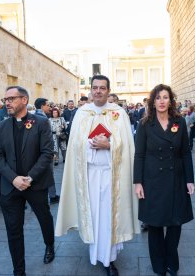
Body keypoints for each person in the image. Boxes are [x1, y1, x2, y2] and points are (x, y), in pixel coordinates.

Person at [56, 75, 140, 276]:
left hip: (113, 175)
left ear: (108, 90)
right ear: (90, 90)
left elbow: (128, 145)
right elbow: (75, 145)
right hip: (90, 176)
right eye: (95, 88)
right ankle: (97, 253)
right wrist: (90, 143)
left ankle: (109, 259)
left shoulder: (119, 113)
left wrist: (109, 145)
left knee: (111, 216)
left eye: (103, 88)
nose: (98, 91)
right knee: (94, 216)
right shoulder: (82, 113)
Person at [0, 86, 56, 275]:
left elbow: (47, 153)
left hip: (35, 184)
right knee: (13, 230)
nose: (7, 102)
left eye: (12, 98)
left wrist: (29, 177)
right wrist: (13, 178)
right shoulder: (1, 126)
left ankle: (50, 245)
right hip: (10, 187)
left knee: (44, 217)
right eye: (5, 99)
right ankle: (18, 270)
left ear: (25, 100)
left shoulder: (41, 123)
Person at [134, 84, 195, 276]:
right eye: (158, 97)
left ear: (171, 101)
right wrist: (138, 182)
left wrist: (190, 179)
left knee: (176, 223)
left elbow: (186, 152)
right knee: (155, 225)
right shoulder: (145, 124)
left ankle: (171, 257)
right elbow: (139, 155)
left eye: (165, 97)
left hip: (176, 178)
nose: (161, 101)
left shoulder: (179, 121)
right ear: (153, 101)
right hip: (152, 180)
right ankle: (158, 262)